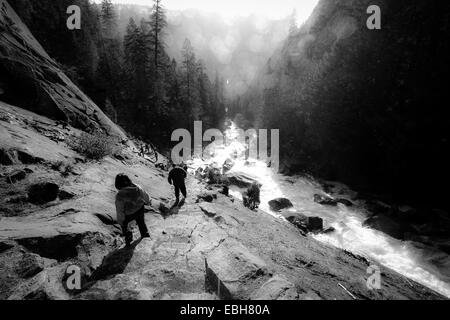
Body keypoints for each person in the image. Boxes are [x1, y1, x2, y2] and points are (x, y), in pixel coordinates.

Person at [115, 174, 151, 246]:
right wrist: (148, 201)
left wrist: (121, 220)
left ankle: (128, 238)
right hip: (139, 208)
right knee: (141, 222)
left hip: (129, 213)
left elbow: (119, 209)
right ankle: (145, 234)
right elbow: (144, 195)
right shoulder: (136, 186)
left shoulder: (120, 195)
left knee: (125, 225)